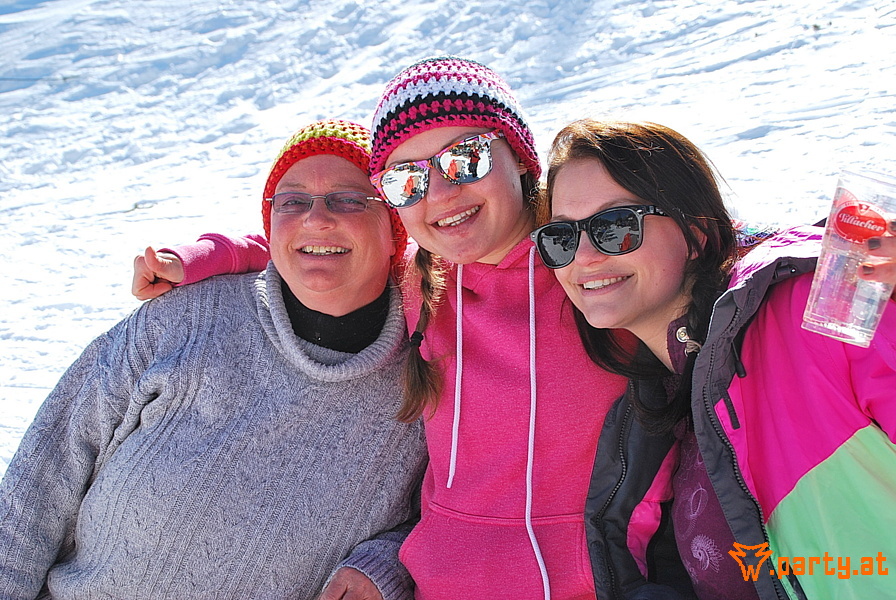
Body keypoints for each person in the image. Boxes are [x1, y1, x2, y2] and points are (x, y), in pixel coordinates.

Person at [129, 58, 648, 600]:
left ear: (518, 155)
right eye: (406, 179)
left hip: (602, 579)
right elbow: (315, 245)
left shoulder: (591, 264)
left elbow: (683, 253)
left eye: (466, 158)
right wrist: (202, 257)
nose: (440, 193)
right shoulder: (424, 283)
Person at [0, 119, 428, 600]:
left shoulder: (435, 370)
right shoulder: (185, 319)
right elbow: (41, 476)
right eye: (292, 202)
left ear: (396, 229)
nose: (316, 219)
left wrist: (386, 564)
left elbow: (464, 512)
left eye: (348, 199)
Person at [530, 118, 896, 599]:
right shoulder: (654, 408)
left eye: (615, 227)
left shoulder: (813, 311)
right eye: (561, 237)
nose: (583, 257)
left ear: (696, 232)